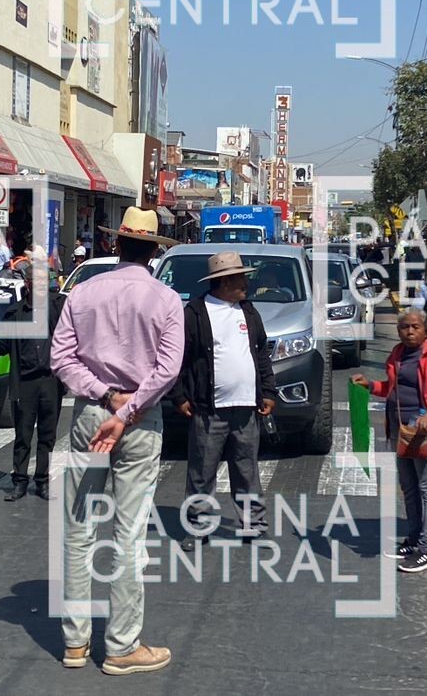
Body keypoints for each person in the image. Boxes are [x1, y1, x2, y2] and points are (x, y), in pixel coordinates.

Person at [50, 207, 182, 676]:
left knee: (78, 527)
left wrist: (107, 397)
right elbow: (167, 370)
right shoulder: (166, 300)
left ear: (115, 245)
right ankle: (122, 645)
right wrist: (127, 411)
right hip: (141, 421)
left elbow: (61, 359)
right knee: (129, 534)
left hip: (91, 414)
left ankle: (74, 642)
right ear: (153, 253)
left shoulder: (82, 294)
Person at [172, 251, 276, 547]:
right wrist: (179, 396)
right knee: (201, 472)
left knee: (247, 471)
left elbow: (261, 354)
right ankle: (197, 527)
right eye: (241, 278)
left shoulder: (248, 310)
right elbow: (178, 358)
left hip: (246, 407)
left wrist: (268, 391)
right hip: (208, 409)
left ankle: (253, 526)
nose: (246, 283)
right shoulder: (194, 312)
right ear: (224, 281)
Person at [351, 307, 427, 573]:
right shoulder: (398, 353)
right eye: (404, 327)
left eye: (415, 327)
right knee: (409, 486)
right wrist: (369, 385)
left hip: (423, 429)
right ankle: (413, 538)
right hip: (400, 427)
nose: (409, 331)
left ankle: (426, 549)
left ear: (425, 329)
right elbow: (391, 388)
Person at [0, 252, 65, 501]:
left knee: (47, 435)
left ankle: (42, 481)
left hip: (50, 381)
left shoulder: (58, 307)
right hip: (25, 382)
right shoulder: (16, 313)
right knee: (23, 435)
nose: (43, 286)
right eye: (38, 281)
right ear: (28, 284)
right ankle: (19, 481)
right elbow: (1, 345)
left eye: (46, 281)